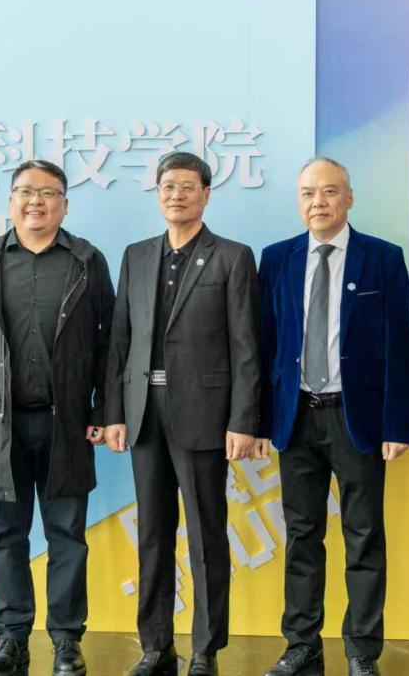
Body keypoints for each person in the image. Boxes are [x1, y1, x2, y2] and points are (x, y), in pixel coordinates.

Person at [0, 158, 115, 676]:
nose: (36, 201)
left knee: (68, 537)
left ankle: (66, 640)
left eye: (48, 192)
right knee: (6, 536)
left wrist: (103, 409)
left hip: (67, 425)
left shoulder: (87, 260)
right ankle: (12, 637)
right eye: (25, 191)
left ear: (65, 204)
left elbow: (109, 343)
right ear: (11, 200)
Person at [255, 158, 409, 676]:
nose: (318, 202)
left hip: (356, 419)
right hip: (296, 418)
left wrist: (398, 425)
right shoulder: (276, 259)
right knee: (302, 535)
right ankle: (301, 642)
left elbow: (400, 348)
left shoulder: (382, 259)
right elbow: (264, 344)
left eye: (328, 191)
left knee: (363, 535)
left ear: (349, 197)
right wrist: (260, 423)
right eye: (308, 193)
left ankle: (362, 650)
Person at [103, 151, 260, 676]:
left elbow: (246, 346)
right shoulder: (136, 256)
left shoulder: (232, 257)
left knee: (206, 534)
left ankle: (205, 650)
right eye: (168, 186)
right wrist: (115, 412)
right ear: (158, 193)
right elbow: (120, 340)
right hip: (144, 413)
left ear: (206, 194)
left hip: (205, 414)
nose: (176, 195)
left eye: (187, 186)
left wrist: (243, 420)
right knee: (152, 533)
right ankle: (155, 646)